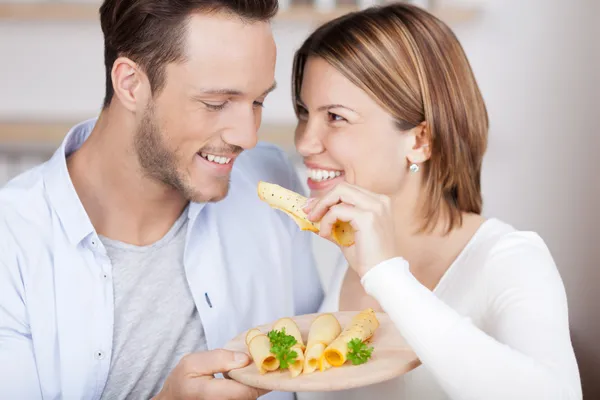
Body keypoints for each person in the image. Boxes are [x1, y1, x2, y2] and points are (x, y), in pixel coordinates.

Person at [0, 0, 323, 399]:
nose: (248, 136)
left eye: (257, 102)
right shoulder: (11, 243)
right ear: (131, 83)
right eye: (216, 103)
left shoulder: (268, 179)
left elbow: (317, 371)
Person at [291, 3, 582, 400]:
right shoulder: (333, 248)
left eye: (336, 117)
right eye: (305, 113)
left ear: (419, 140)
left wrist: (388, 276)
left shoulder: (509, 259)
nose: (305, 141)